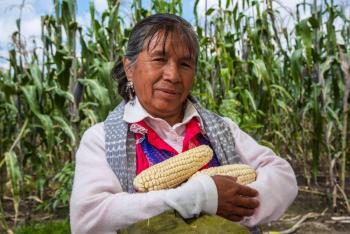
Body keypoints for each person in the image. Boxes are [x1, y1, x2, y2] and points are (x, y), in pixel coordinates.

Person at [70, 13, 298, 234]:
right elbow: (89, 218)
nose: (173, 75)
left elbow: (282, 177)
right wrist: (199, 197)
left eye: (185, 64)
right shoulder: (101, 139)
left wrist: (235, 205)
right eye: (159, 59)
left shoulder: (222, 129)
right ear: (129, 68)